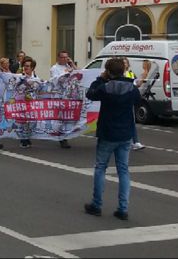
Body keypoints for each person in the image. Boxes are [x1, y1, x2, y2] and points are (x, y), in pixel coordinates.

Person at [84, 57, 141, 221]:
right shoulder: (131, 87)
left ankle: (97, 204)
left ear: (108, 72)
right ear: (123, 70)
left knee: (100, 167)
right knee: (123, 170)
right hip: (125, 134)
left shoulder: (105, 87)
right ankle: (123, 208)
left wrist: (100, 79)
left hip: (108, 132)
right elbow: (137, 101)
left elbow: (90, 94)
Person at [50, 50, 77, 149]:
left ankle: (64, 134)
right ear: (58, 58)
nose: (65, 59)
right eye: (63, 57)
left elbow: (78, 74)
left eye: (66, 57)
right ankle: (62, 138)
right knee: (60, 117)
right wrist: (66, 74)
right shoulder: (54, 68)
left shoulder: (68, 67)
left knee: (67, 117)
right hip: (59, 95)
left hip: (69, 95)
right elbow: (56, 80)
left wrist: (72, 64)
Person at [123, 58, 145, 151]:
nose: (124, 64)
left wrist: (145, 74)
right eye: (123, 63)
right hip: (120, 101)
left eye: (126, 63)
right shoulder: (117, 75)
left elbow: (137, 84)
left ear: (128, 65)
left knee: (131, 121)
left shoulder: (131, 74)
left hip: (128, 101)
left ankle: (135, 142)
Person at [18, 56, 40, 148]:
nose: (26, 68)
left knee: (32, 122)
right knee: (23, 121)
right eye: (25, 66)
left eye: (28, 66)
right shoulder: (19, 78)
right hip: (22, 103)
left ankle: (27, 137)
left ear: (32, 68)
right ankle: (23, 139)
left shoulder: (36, 78)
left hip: (33, 103)